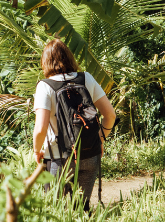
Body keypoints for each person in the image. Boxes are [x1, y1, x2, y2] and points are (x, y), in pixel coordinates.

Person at [33, 39, 116, 210]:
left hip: (59, 158)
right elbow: (110, 115)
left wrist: (36, 150)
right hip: (90, 155)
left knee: (56, 210)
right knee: (81, 209)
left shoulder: (45, 86)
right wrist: (99, 140)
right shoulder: (86, 78)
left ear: (45, 62)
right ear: (70, 57)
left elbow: (40, 129)